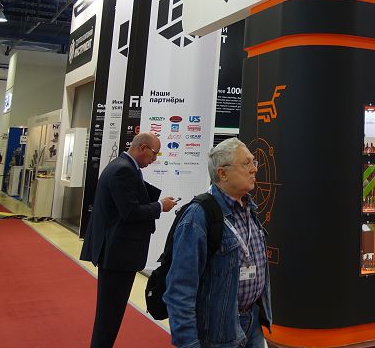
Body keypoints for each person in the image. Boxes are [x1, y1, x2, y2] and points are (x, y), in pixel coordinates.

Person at [165, 138, 272, 348]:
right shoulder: (198, 217)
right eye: (246, 164)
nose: (254, 169)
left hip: (252, 323)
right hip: (219, 331)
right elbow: (180, 289)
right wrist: (189, 343)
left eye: (254, 162)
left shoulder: (249, 209)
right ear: (222, 173)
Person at [80, 132, 178, 348]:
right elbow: (130, 212)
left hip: (117, 254)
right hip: (118, 256)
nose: (154, 159)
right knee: (109, 317)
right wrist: (160, 206)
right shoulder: (123, 170)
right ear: (142, 148)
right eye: (154, 153)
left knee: (110, 314)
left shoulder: (123, 167)